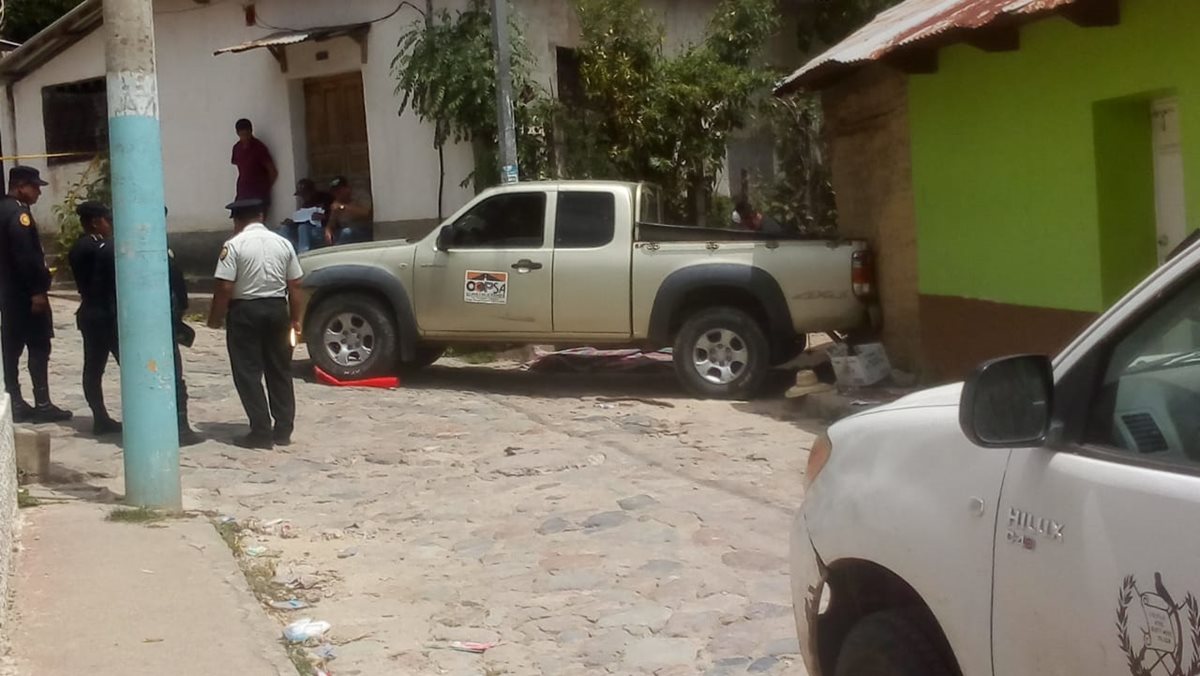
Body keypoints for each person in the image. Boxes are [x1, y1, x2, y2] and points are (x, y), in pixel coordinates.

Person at [207, 198, 303, 450]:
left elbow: (225, 287)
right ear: (261, 216)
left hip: (245, 311)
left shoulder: (234, 245)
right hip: (277, 309)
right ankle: (283, 429)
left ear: (237, 220)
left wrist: (215, 318)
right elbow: (295, 285)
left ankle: (260, 431)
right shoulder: (283, 243)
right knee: (279, 369)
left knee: (247, 372)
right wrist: (295, 318)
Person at [0, 166, 72, 423]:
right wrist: (37, 291)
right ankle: (42, 404)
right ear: (20, 186)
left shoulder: (3, 209)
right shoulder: (19, 215)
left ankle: (14, 399)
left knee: (10, 348)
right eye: (35, 187)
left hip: (9, 295)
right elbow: (26, 258)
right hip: (26, 296)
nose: (38, 193)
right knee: (39, 345)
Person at [68, 201, 121, 435]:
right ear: (96, 222)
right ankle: (101, 417)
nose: (110, 225)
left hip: (92, 312)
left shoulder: (84, 246)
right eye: (107, 220)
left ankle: (100, 417)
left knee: (94, 367)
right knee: (108, 366)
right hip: (104, 313)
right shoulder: (95, 247)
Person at [165, 207, 202, 446]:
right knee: (174, 374)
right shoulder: (158, 251)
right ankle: (180, 426)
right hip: (162, 320)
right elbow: (177, 284)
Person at [231, 118, 278, 211]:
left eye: (247, 134)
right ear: (237, 133)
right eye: (242, 135)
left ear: (251, 131)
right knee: (239, 217)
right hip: (243, 192)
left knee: (256, 219)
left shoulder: (259, 148)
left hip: (258, 193)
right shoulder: (237, 148)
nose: (245, 138)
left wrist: (265, 188)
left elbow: (273, 172)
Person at [280, 179, 331, 253]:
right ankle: (286, 252)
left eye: (305, 194)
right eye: (301, 195)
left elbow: (335, 216)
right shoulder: (306, 204)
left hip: (323, 230)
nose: (303, 197)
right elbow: (304, 220)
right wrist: (293, 222)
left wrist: (323, 216)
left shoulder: (326, 199)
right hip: (308, 230)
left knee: (303, 228)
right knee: (285, 228)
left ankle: (303, 252)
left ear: (312, 191)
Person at [324, 176, 373, 245]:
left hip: (364, 230)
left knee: (347, 232)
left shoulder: (360, 196)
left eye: (339, 190)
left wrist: (343, 207)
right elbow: (332, 222)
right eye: (334, 191)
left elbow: (366, 212)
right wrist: (328, 230)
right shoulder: (336, 203)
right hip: (345, 232)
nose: (336, 193)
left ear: (347, 188)